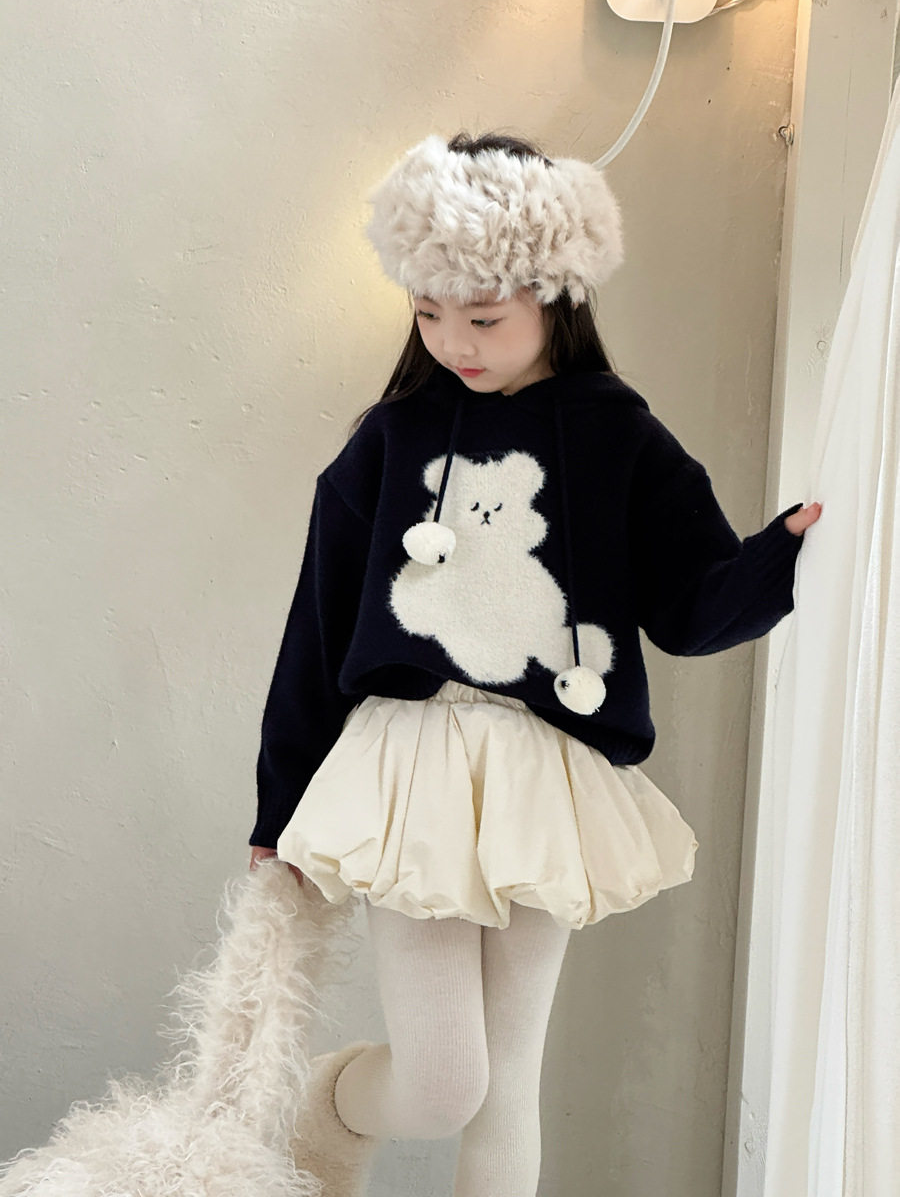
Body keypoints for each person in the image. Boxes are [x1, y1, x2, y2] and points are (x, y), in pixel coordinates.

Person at [248, 131, 822, 1197]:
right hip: (410, 765)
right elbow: (317, 631)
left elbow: (690, 608)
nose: (452, 342)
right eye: (428, 313)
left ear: (557, 294)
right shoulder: (392, 438)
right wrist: (276, 809)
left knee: (508, 1087)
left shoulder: (622, 437)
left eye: (482, 317)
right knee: (444, 1085)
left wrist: (783, 553)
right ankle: (328, 1108)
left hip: (544, 771)